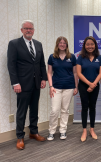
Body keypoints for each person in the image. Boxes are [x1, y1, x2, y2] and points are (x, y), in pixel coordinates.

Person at [7, 20, 47, 150]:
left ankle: (33, 132)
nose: (28, 30)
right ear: (22, 30)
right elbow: (11, 65)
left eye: (31, 28)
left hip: (36, 83)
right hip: (22, 84)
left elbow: (41, 64)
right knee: (22, 111)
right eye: (26, 28)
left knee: (34, 109)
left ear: (34, 30)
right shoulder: (14, 44)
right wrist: (15, 83)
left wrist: (43, 79)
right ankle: (20, 136)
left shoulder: (38, 44)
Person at [47, 36, 78, 141]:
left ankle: (63, 130)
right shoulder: (52, 57)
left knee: (65, 110)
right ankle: (51, 131)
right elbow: (49, 72)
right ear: (57, 44)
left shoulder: (72, 57)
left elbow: (75, 72)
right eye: (60, 42)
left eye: (64, 43)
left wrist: (76, 87)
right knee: (54, 110)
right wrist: (50, 86)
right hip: (56, 87)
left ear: (67, 45)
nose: (62, 44)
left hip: (69, 86)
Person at [76, 36, 101, 142]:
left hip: (95, 86)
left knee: (92, 107)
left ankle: (92, 129)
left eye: (92, 44)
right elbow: (78, 73)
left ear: (95, 45)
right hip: (83, 86)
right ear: (84, 46)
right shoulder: (80, 57)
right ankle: (84, 130)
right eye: (88, 44)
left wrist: (93, 84)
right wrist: (89, 84)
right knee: (84, 107)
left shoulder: (99, 58)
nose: (90, 46)